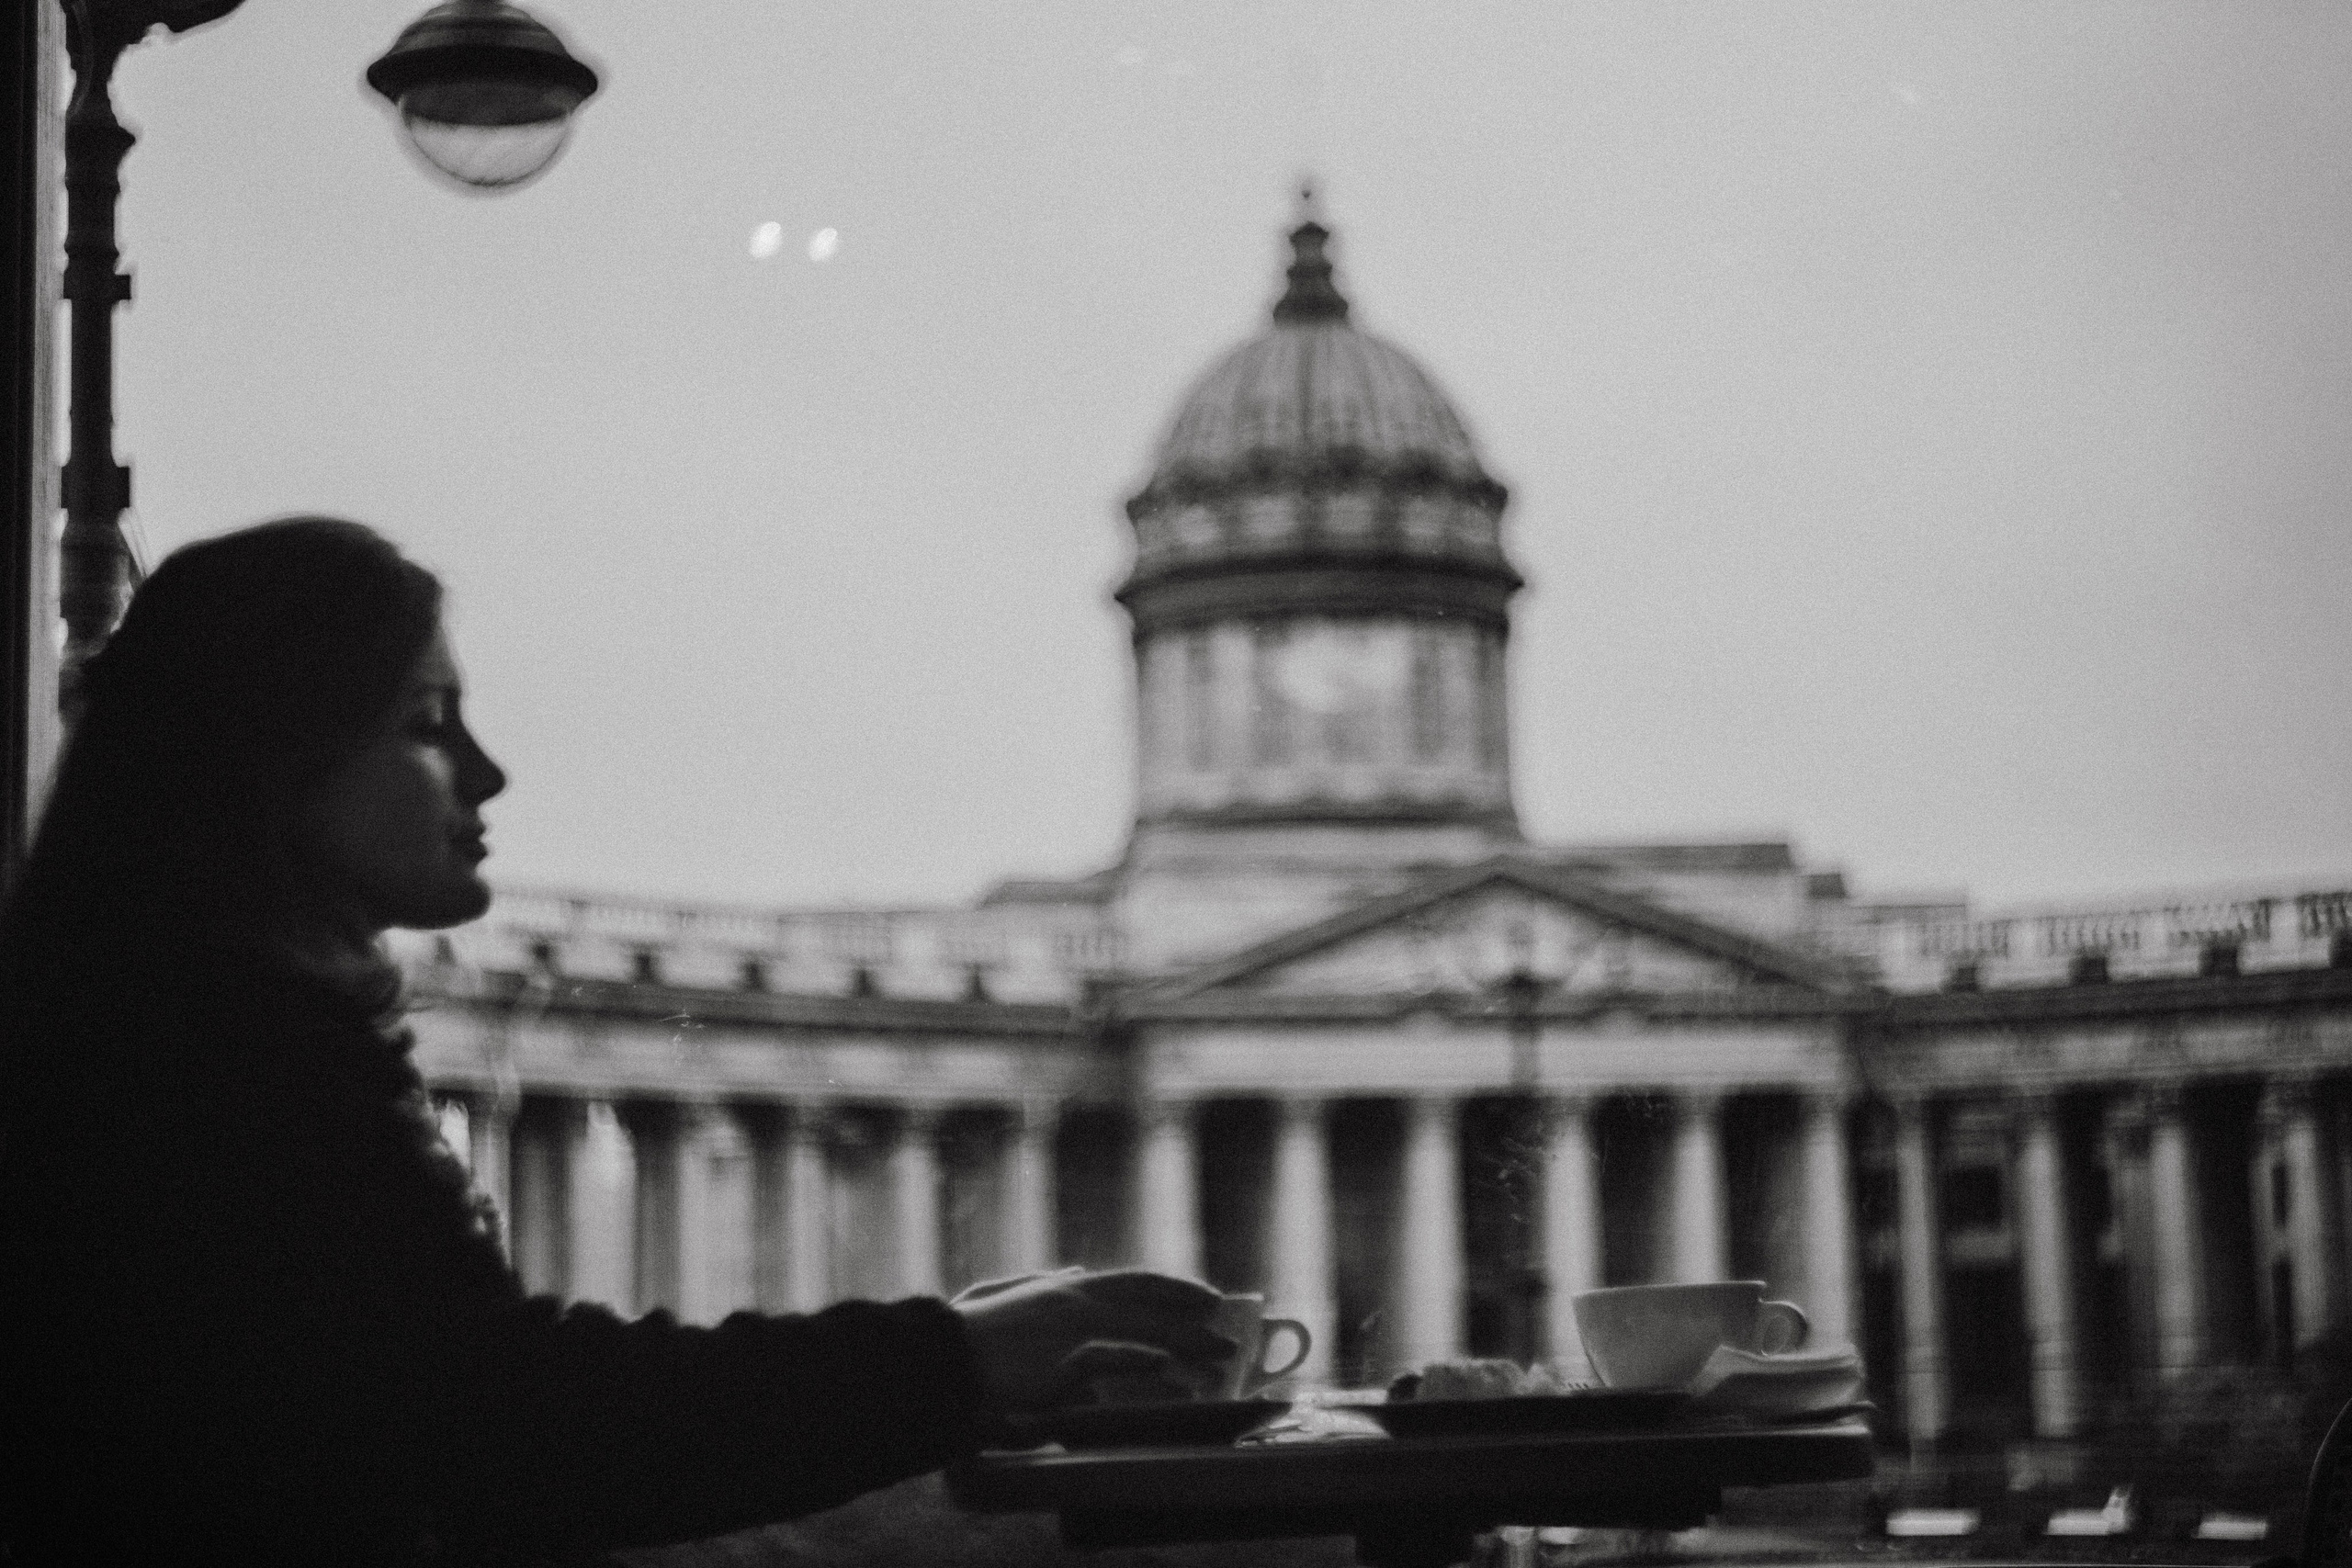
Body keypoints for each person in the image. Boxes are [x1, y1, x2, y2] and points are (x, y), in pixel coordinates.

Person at [0, 517, 1227, 1566]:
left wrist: (957, 1351)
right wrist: (957, 1358)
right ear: (273, 754)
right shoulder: (224, 1065)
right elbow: (515, 1428)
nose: (488, 772)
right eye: (428, 723)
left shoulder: (177, 1026)